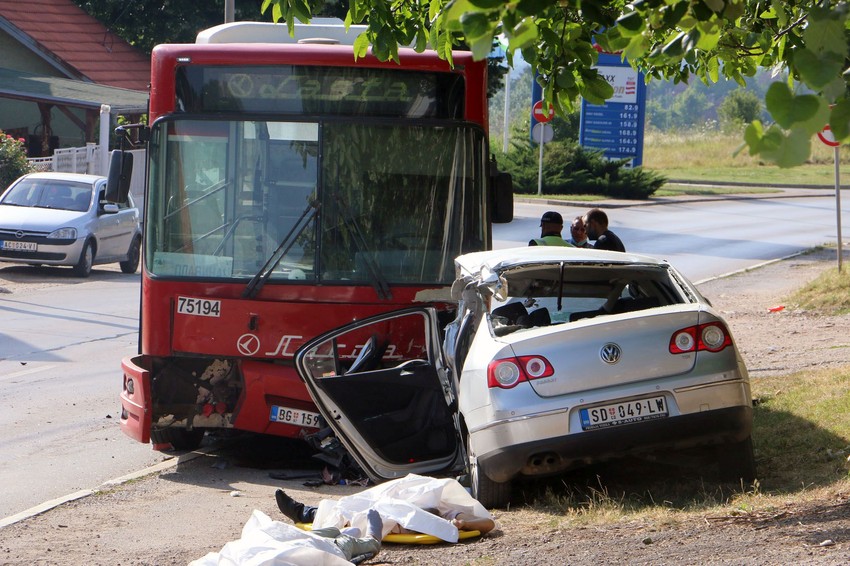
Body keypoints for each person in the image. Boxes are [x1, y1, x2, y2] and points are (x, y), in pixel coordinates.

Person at [276, 489, 496, 536]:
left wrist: (465, 524)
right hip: (401, 500)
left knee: (353, 515)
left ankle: (305, 513)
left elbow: (487, 524)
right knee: (349, 504)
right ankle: (304, 512)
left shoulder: (443, 518)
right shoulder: (441, 511)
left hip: (388, 514)